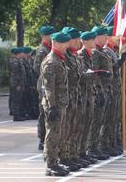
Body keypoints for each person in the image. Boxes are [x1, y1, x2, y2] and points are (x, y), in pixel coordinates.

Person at [41, 32, 71, 177]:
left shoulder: (59, 60)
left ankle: (55, 161)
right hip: (54, 104)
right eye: (65, 43)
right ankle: (50, 165)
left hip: (60, 103)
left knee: (58, 133)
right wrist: (52, 106)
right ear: (57, 43)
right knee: (52, 134)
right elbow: (49, 87)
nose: (67, 46)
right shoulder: (51, 62)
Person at [33, 25, 54, 150]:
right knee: (43, 112)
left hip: (47, 84)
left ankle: (45, 138)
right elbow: (36, 67)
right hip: (43, 85)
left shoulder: (49, 49)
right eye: (50, 35)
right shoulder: (42, 50)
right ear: (45, 36)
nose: (52, 37)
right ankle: (42, 139)